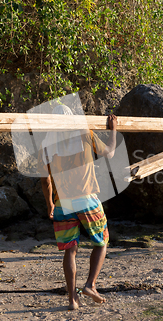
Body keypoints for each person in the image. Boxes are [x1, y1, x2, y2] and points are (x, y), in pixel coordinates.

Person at [40, 105, 117, 310]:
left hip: (62, 203)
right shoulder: (85, 135)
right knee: (101, 241)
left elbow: (45, 180)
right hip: (86, 197)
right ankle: (90, 285)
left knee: (70, 251)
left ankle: (73, 299)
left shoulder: (47, 144)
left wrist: (49, 203)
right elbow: (109, 153)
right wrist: (113, 131)